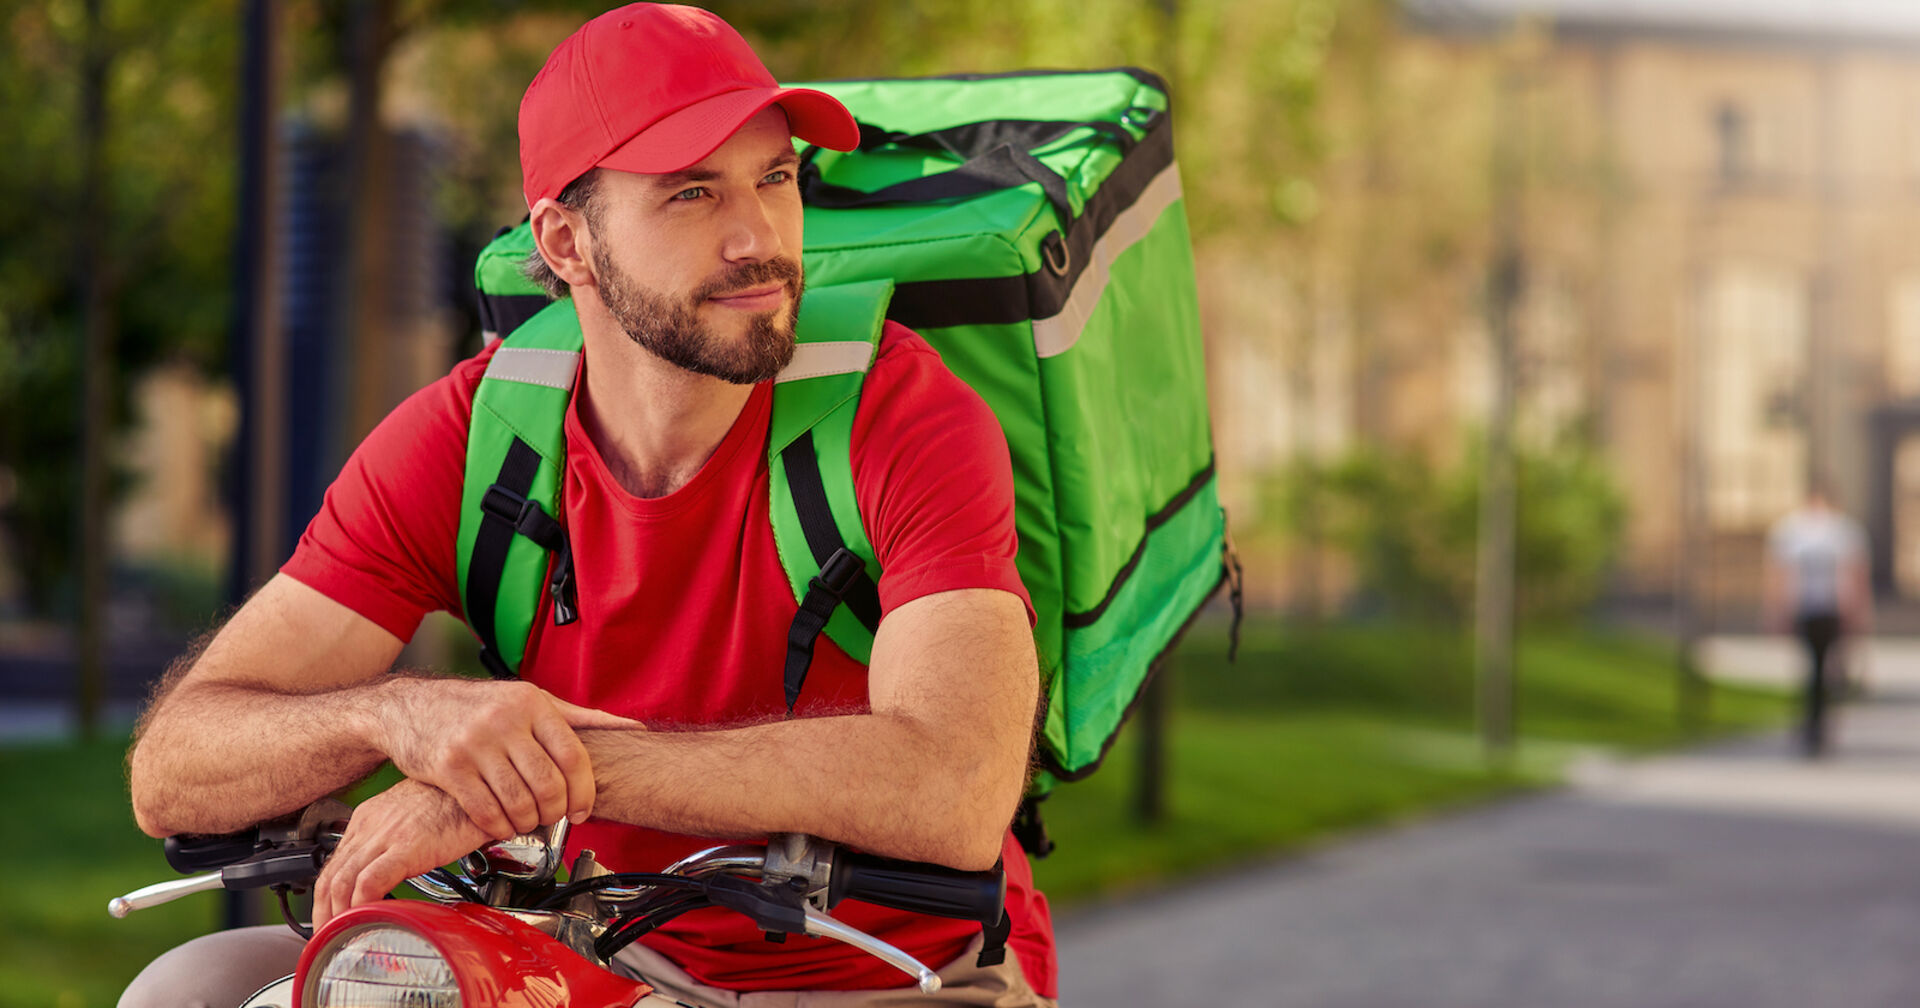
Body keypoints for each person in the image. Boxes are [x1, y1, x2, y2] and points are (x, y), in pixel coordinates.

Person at [119, 4, 1056, 1005]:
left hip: (897, 973)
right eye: (692, 192)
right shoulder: (478, 437)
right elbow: (174, 767)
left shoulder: (904, 415)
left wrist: (531, 777)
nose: (758, 238)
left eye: (775, 178)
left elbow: (956, 783)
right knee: (197, 987)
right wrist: (410, 717)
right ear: (567, 241)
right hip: (603, 958)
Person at [1763, 484, 1872, 758]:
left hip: (1820, 608)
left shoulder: (1798, 530)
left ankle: (1815, 724)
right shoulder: (1831, 530)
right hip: (1816, 608)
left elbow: (1854, 574)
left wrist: (1776, 611)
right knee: (1819, 667)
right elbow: (1780, 574)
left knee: (1817, 667)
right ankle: (1816, 724)